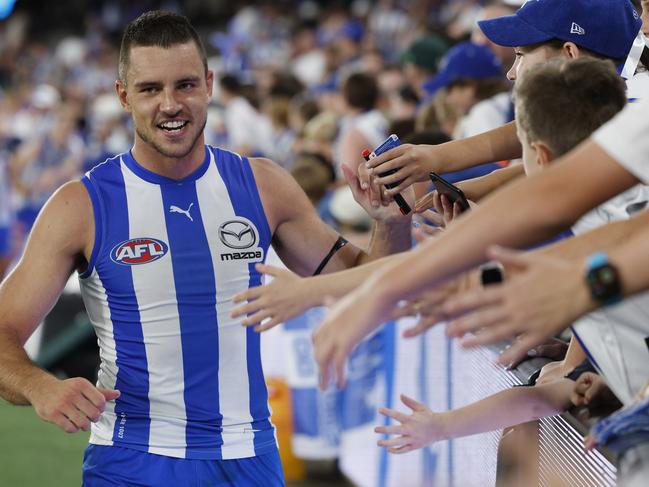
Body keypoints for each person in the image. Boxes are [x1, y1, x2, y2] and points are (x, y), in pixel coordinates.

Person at [0, 11, 411, 486]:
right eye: (150, 89)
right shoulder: (82, 205)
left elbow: (369, 285)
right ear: (122, 96)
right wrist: (40, 387)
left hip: (249, 458)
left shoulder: (262, 185)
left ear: (210, 85)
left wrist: (390, 225)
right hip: (133, 461)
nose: (171, 104)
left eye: (186, 85)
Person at [362, 0, 645, 205]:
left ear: (569, 55)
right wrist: (466, 178)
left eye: (520, 55)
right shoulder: (616, 101)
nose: (511, 73)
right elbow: (557, 148)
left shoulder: (635, 108)